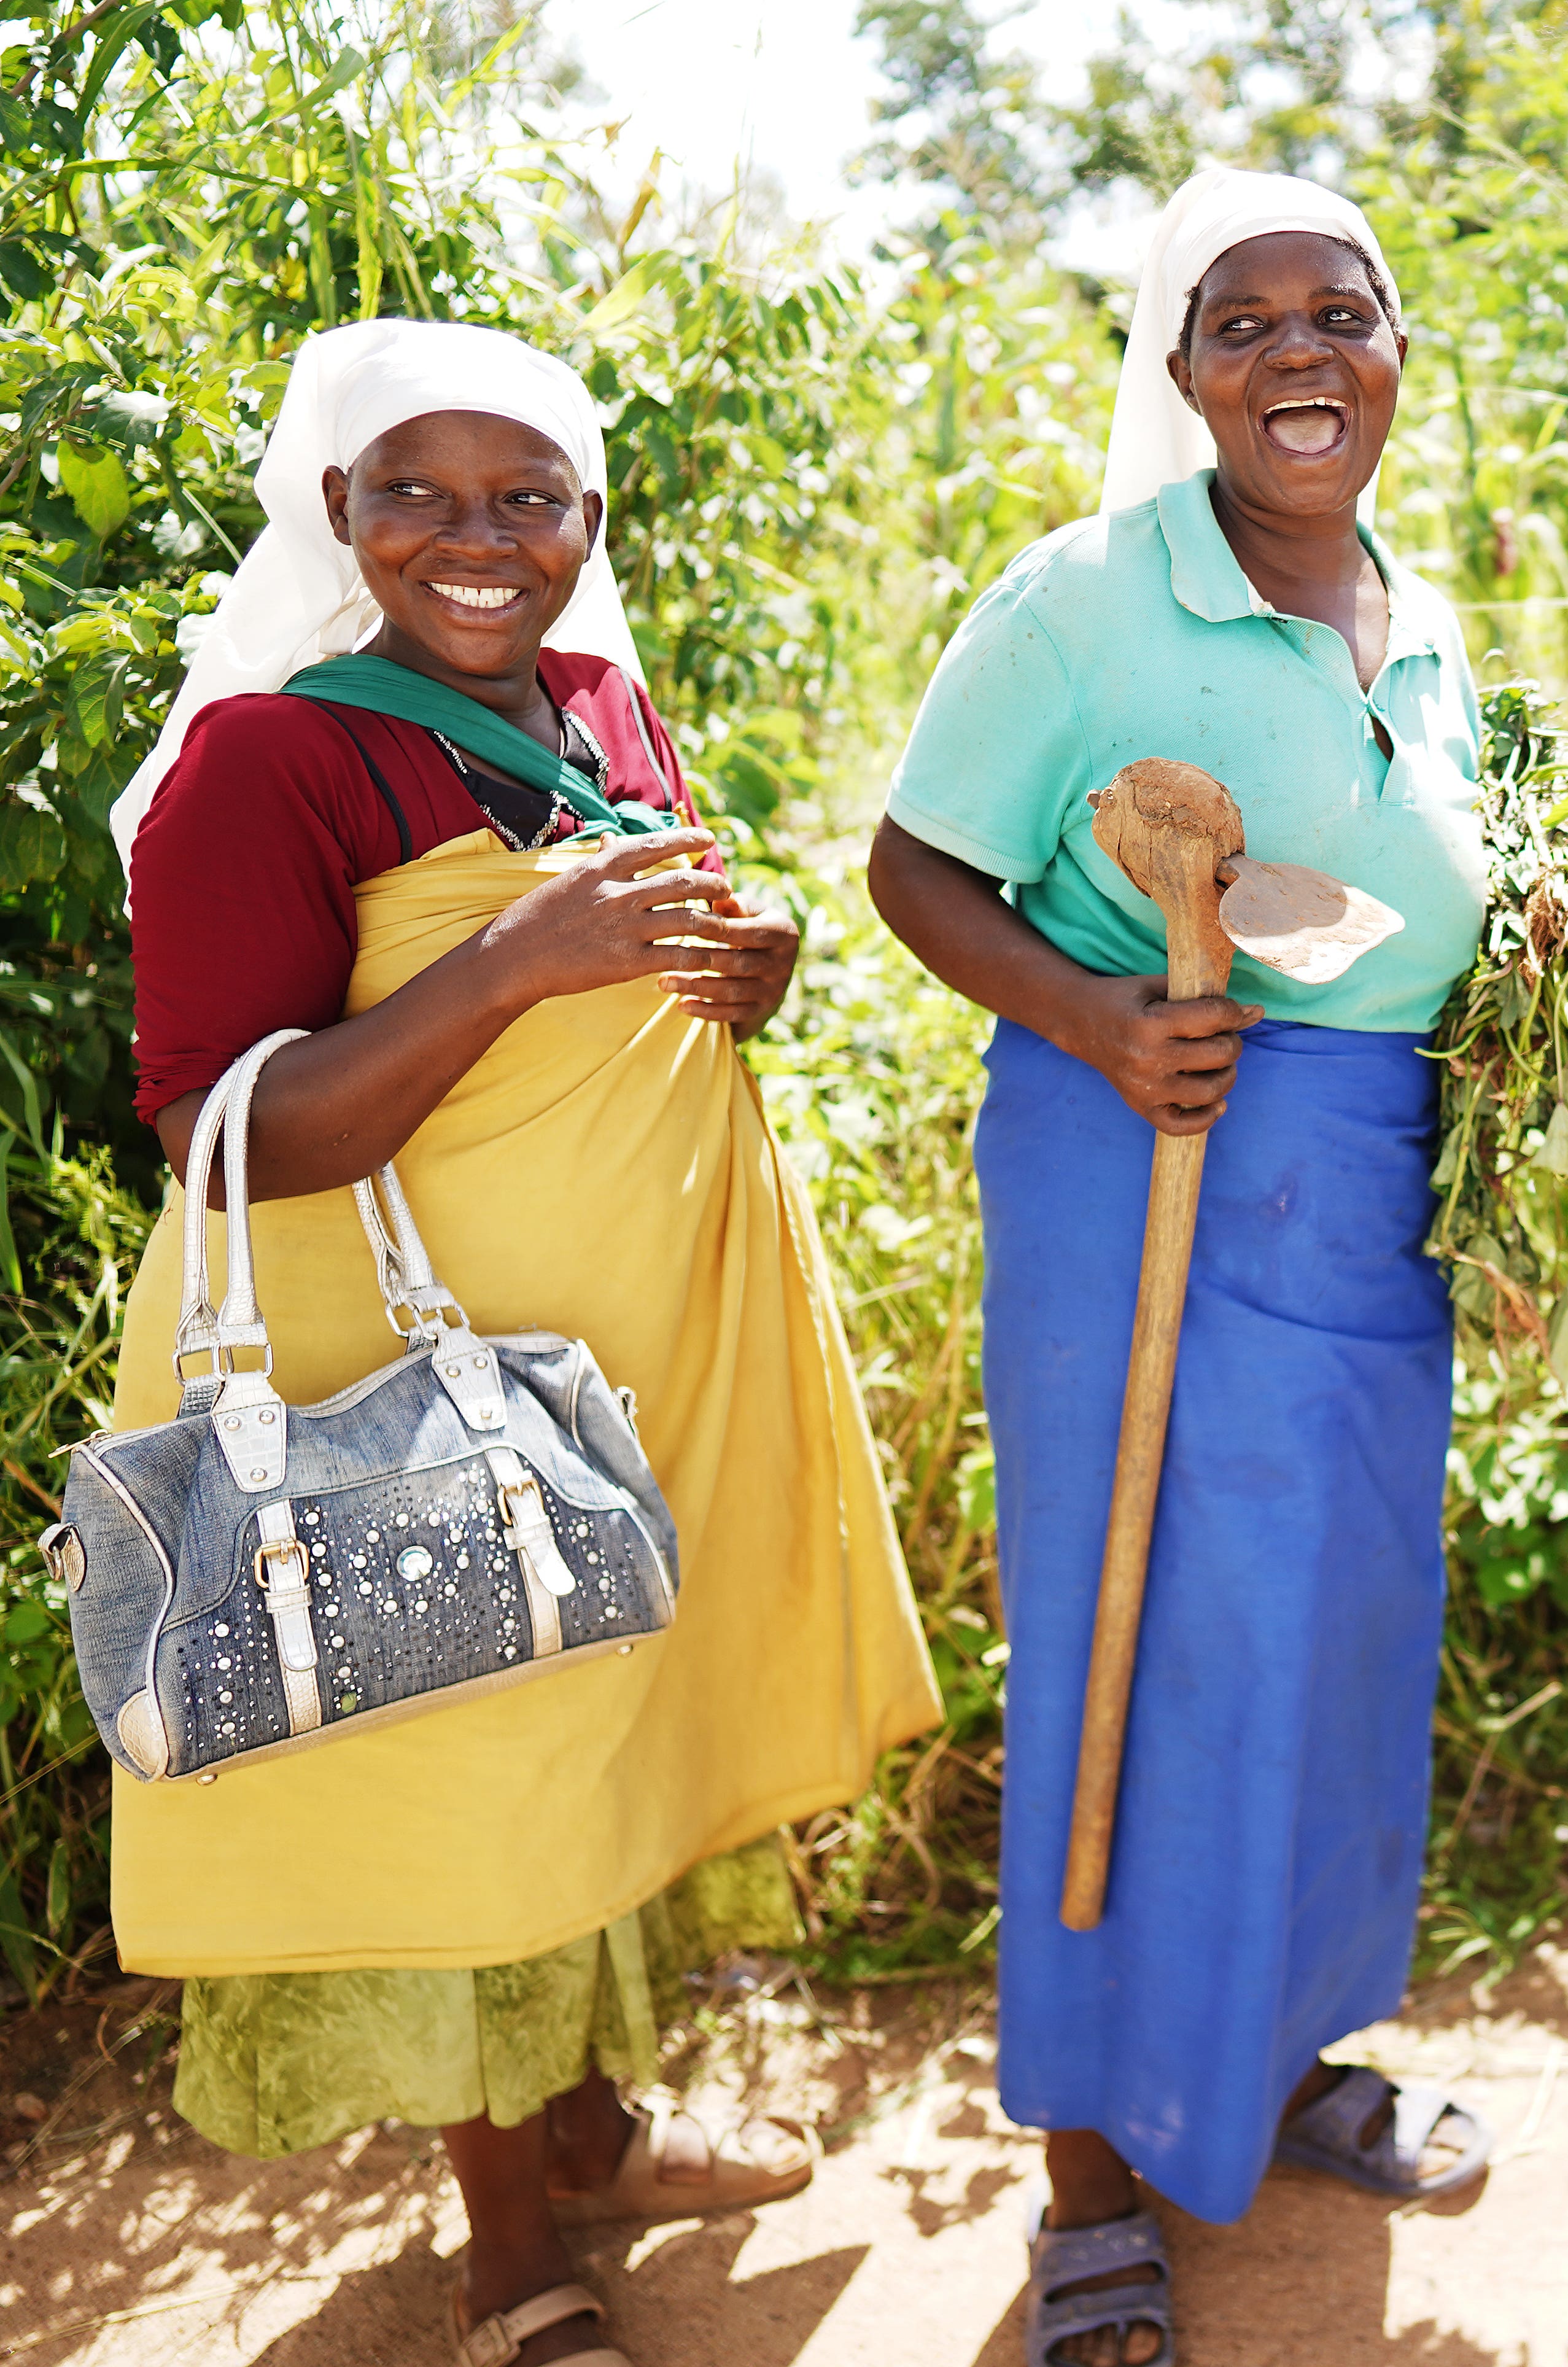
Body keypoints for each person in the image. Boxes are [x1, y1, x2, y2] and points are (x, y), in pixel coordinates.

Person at [103, 319, 941, 2367]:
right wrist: (510, 965)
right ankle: (508, 2264)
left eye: (526, 499)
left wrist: (763, 962)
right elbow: (233, 1132)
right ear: (337, 514)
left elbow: (634, 966)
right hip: (400, 1380)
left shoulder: (599, 703)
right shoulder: (272, 759)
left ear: (588, 518)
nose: (475, 542)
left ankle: (592, 2129)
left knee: (589, 1738)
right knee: (469, 1751)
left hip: (606, 1360)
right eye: (418, 496)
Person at [869, 169, 1568, 2367]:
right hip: (1147, 1160)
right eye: (1244, 320)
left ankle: (1271, 2070)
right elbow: (917, 867)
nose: (1302, 352)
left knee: (1329, 1640)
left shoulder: (1422, 608)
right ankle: (1095, 2163)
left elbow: (1415, 902)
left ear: (1395, 354)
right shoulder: (1088, 602)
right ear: (1181, 371)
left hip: (1363, 1190)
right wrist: (1101, 1015)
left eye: (1342, 314)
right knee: (1138, 1645)